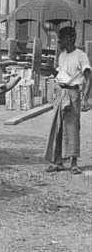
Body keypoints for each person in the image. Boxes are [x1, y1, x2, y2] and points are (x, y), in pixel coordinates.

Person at [44, 26, 91, 175]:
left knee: (71, 128)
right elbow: (59, 74)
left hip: (73, 94)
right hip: (60, 92)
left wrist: (85, 98)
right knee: (57, 128)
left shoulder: (81, 56)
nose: (58, 41)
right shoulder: (62, 56)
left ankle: (74, 163)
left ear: (70, 39)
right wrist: (50, 68)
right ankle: (57, 162)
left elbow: (89, 77)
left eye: (61, 38)